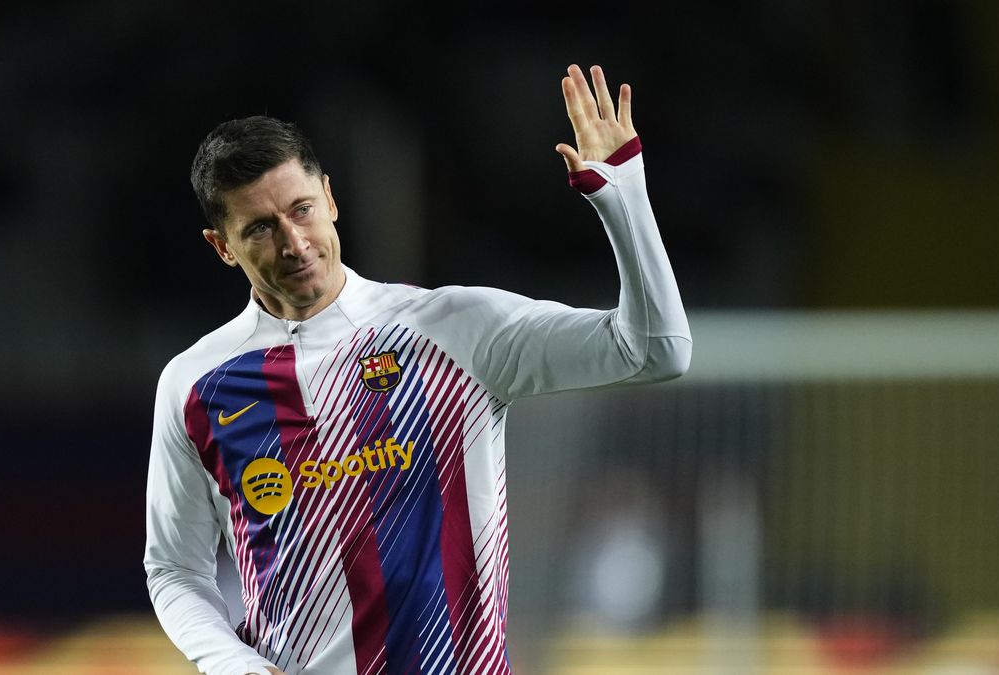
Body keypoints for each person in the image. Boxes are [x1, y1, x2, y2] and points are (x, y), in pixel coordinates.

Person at [144, 64, 691, 675]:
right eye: (261, 229)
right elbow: (174, 569)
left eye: (301, 210)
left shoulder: (453, 329)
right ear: (222, 246)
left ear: (330, 198)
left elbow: (655, 350)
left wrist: (623, 197)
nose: (294, 243)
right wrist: (231, 664)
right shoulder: (198, 386)